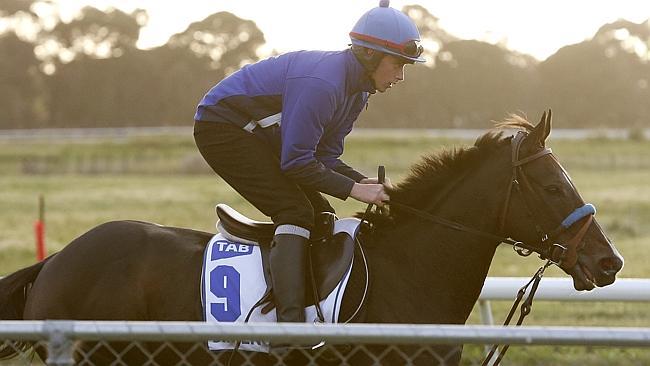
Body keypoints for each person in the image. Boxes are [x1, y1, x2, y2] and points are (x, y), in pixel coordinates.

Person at [193, 0, 424, 328]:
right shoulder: (325, 83)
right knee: (295, 212)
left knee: (322, 215)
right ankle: (289, 326)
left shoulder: (358, 92)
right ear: (369, 54)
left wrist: (365, 183)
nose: (401, 76)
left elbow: (326, 157)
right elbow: (297, 162)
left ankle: (308, 301)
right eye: (399, 64)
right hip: (222, 127)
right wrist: (355, 190)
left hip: (255, 132)